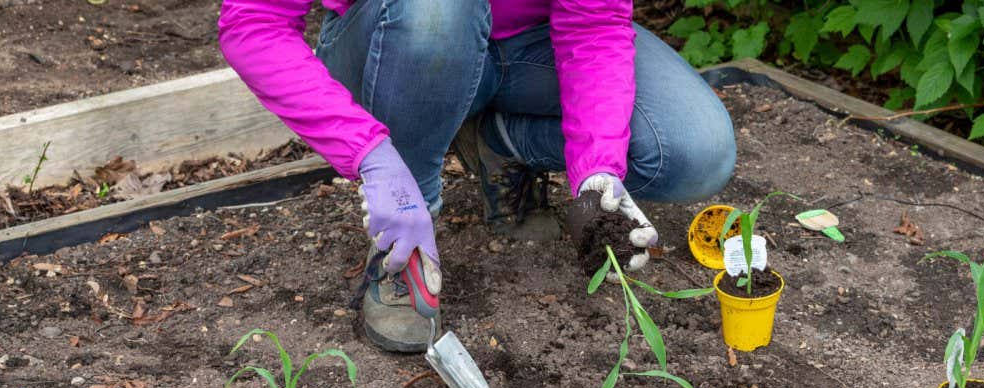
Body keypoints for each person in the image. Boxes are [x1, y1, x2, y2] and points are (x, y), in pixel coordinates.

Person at [218, 0, 736, 353]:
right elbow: (254, 24)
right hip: (394, 41)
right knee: (438, 13)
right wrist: (369, 153)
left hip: (530, 51)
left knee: (692, 150)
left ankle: (501, 143)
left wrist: (597, 165)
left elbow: (593, 27)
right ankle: (403, 240)